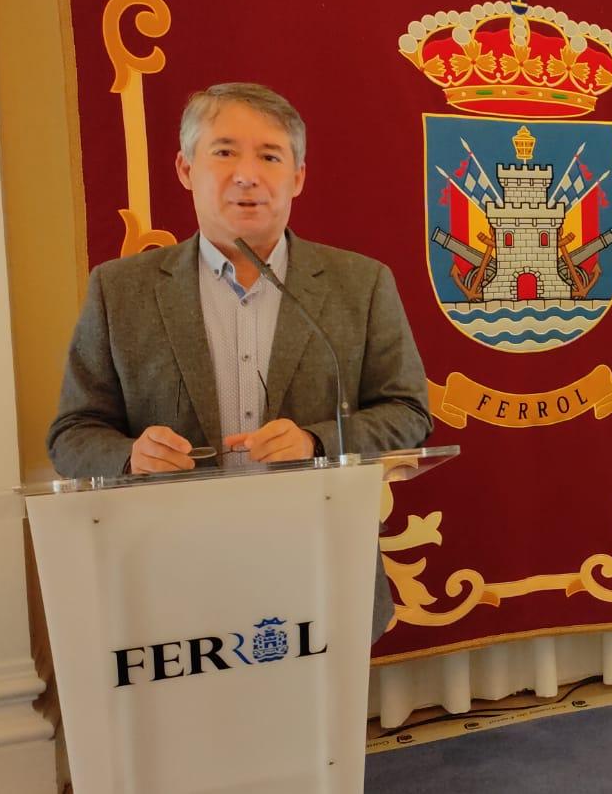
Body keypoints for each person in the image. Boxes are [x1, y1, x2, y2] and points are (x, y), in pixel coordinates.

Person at [46, 82, 432, 637]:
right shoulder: (120, 292)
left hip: (318, 572)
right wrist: (131, 456)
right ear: (185, 168)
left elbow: (408, 414)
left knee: (314, 726)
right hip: (168, 585)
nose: (247, 175)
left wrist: (318, 443)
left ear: (297, 177)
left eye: (271, 156)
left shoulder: (362, 284)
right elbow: (71, 434)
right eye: (224, 152)